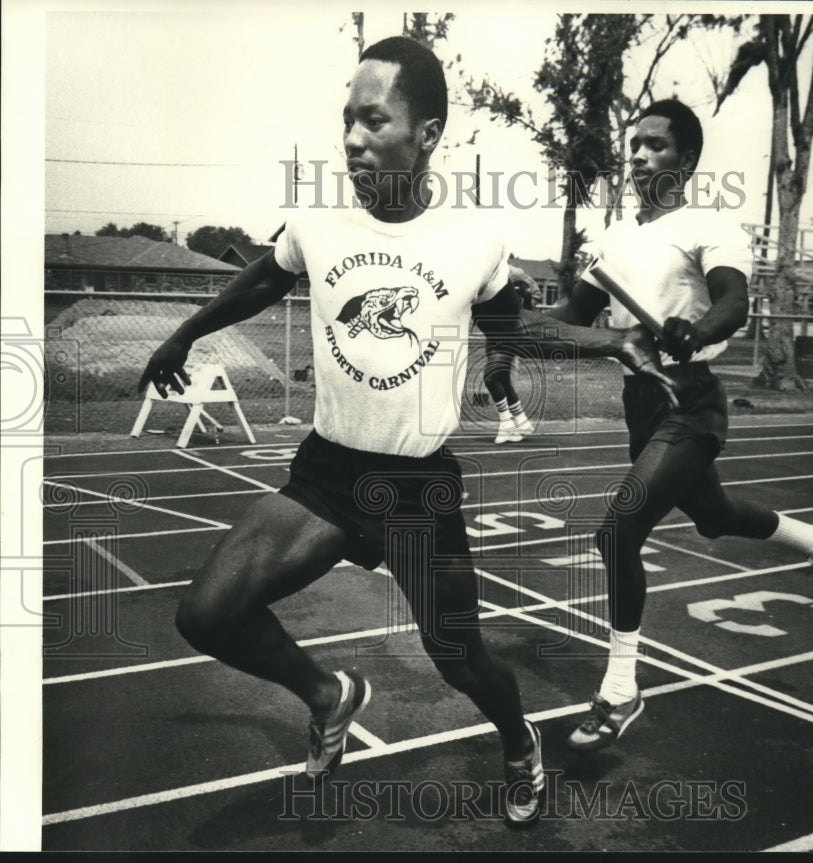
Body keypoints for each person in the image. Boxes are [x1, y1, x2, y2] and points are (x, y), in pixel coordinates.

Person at [137, 36, 673, 825]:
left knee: (460, 657)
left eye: (374, 121)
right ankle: (330, 695)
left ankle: (518, 738)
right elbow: (262, 278)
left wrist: (613, 341)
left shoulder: (471, 239)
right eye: (346, 119)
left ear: (425, 135)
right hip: (326, 475)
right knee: (206, 614)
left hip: (417, 488)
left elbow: (517, 330)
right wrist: (185, 332)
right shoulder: (319, 223)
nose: (353, 139)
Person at [544, 99, 813, 753]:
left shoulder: (712, 226)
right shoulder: (614, 240)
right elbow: (571, 312)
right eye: (634, 147)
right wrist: (518, 311)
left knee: (619, 528)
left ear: (686, 161)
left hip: (690, 402)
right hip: (642, 403)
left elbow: (733, 302)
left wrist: (697, 330)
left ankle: (622, 688)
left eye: (655, 146)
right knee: (713, 514)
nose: (639, 157)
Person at [481, 264, 543, 443]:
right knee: (502, 379)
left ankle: (507, 424)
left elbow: (535, 294)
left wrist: (519, 304)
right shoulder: (482, 274)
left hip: (509, 331)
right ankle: (521, 423)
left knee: (492, 377)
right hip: (492, 332)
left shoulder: (514, 272)